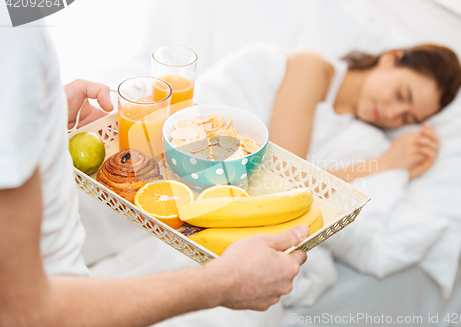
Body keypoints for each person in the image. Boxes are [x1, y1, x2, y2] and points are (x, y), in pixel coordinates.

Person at [0, 17, 310, 327]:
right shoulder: (16, 41)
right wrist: (221, 283)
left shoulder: (17, 32)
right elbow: (24, 312)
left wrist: (40, 119)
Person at [269, 44, 461, 181]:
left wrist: (400, 172)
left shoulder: (358, 137)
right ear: (390, 58)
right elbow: (283, 178)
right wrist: (383, 165)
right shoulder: (310, 65)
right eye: (401, 94)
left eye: (406, 118)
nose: (392, 114)